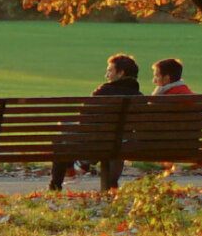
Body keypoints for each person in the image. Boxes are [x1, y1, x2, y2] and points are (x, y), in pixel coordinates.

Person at [50, 53, 142, 190]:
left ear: (121, 73)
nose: (107, 75)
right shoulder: (139, 97)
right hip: (123, 144)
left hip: (97, 143)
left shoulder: (103, 91)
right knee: (111, 141)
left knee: (62, 133)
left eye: (110, 71)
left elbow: (84, 118)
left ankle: (57, 184)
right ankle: (106, 183)